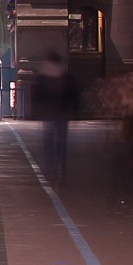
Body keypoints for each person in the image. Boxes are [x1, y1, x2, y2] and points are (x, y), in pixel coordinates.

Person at [34, 53, 81, 183]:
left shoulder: (43, 77)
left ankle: (50, 165)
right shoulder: (66, 77)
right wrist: (75, 111)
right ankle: (59, 166)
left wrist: (37, 110)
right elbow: (74, 95)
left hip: (50, 113)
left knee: (49, 140)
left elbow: (37, 95)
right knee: (61, 141)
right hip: (61, 113)